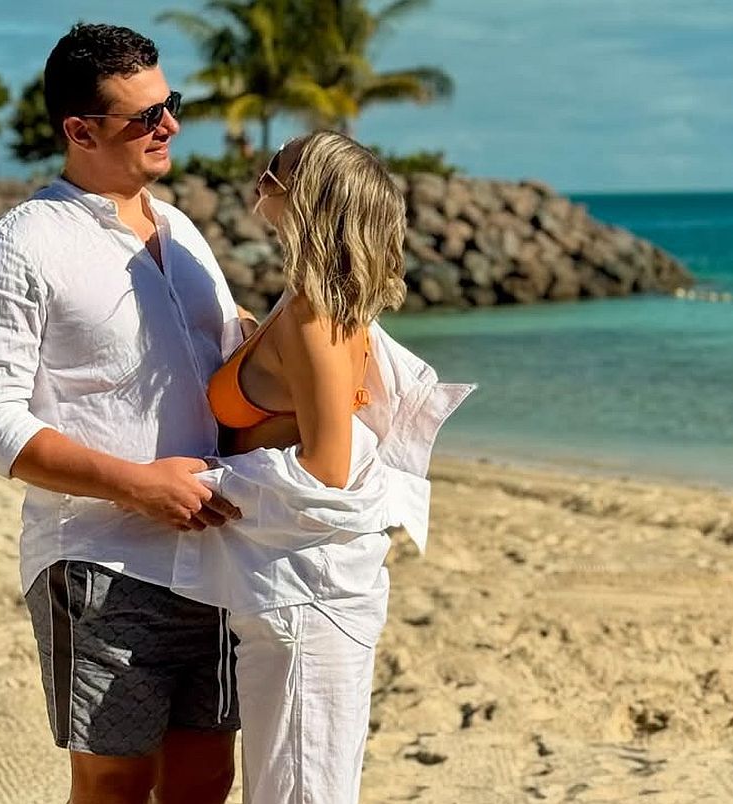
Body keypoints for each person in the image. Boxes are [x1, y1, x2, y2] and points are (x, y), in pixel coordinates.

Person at [0, 23, 250, 804]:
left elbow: (228, 358)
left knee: (207, 777)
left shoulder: (182, 230)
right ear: (80, 130)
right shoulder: (17, 246)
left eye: (170, 104)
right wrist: (137, 486)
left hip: (216, 553)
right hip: (98, 562)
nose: (170, 125)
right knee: (114, 783)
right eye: (144, 116)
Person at [168, 131, 474, 804]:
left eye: (276, 166)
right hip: (294, 590)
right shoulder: (309, 306)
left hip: (305, 598)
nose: (261, 174)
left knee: (300, 790)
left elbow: (329, 468)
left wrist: (208, 480)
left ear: (306, 195)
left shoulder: (315, 317)